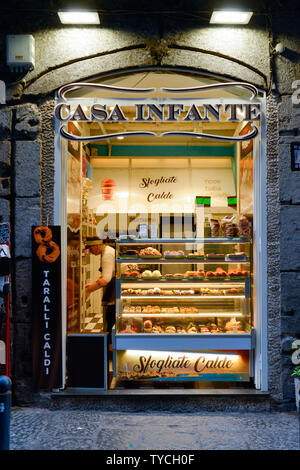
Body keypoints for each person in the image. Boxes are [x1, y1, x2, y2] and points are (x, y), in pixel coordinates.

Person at [84, 237, 115, 344]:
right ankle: (110, 345)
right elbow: (106, 273)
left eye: (90, 249)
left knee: (111, 318)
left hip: (115, 292)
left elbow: (106, 279)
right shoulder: (107, 250)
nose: (90, 252)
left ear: (97, 246)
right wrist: (92, 283)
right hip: (113, 288)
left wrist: (89, 290)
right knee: (110, 318)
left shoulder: (107, 254)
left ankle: (111, 346)